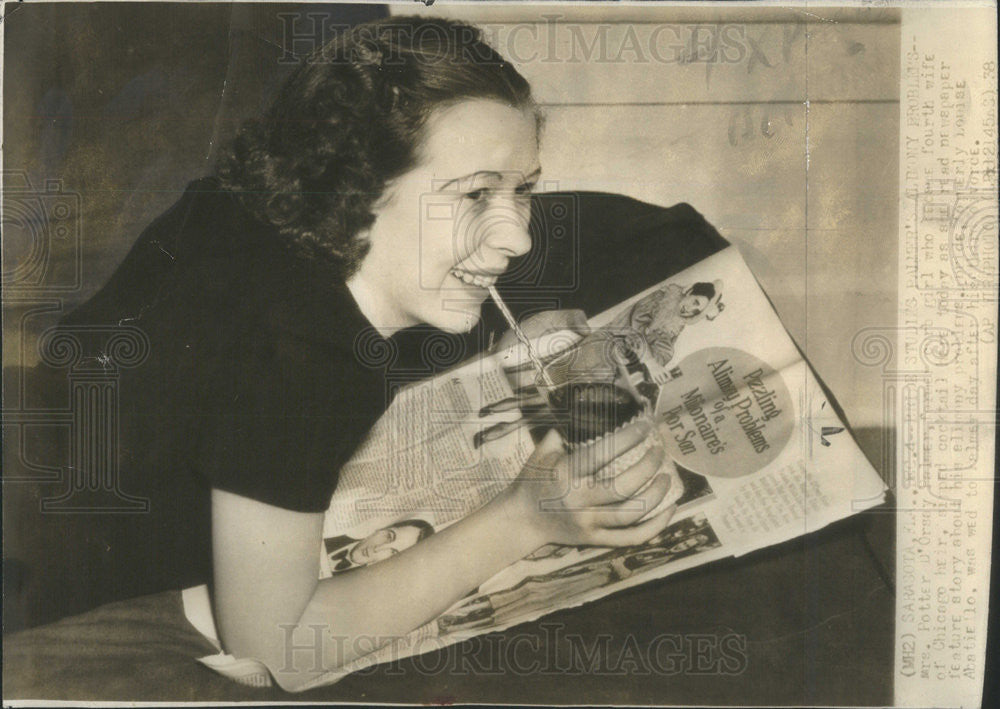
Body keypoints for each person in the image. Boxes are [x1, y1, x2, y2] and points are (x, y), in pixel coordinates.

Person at [51, 17, 678, 690]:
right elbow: (275, 650)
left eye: (522, 189)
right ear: (362, 185)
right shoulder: (298, 358)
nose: (518, 237)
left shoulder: (249, 206)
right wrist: (525, 517)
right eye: (476, 193)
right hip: (98, 596)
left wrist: (490, 367)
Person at [325, 519, 435, 573]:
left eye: (393, 553)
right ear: (381, 528)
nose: (378, 549)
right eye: (389, 537)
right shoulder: (328, 528)